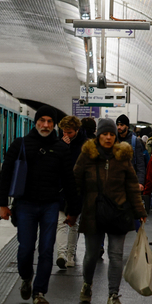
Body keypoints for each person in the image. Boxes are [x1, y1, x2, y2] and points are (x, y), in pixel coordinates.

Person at [0, 105, 80, 304]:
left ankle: (40, 292)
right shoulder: (21, 144)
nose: (45, 125)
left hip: (50, 205)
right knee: (25, 248)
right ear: (36, 122)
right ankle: (26, 277)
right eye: (42, 121)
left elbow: (70, 181)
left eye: (49, 122)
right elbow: (6, 173)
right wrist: (2, 204)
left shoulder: (61, 149)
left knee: (46, 250)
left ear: (54, 125)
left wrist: (73, 211)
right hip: (25, 204)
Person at [73, 118, 147, 304]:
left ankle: (113, 295)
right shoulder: (87, 155)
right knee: (90, 255)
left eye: (111, 134)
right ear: (98, 135)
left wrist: (139, 210)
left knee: (116, 256)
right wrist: (72, 210)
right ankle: (87, 285)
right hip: (92, 211)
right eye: (105, 134)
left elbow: (132, 186)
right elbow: (76, 182)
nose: (108, 137)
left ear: (115, 136)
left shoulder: (123, 157)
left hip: (118, 212)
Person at [55, 115, 87, 269]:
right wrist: (62, 146)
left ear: (77, 130)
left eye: (70, 133)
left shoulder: (85, 146)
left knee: (74, 224)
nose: (66, 135)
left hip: (77, 190)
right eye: (64, 132)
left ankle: (70, 254)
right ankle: (61, 254)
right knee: (61, 223)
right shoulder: (58, 144)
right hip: (61, 189)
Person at [116, 114, 146, 191]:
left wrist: (140, 182)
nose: (119, 127)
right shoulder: (114, 140)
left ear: (127, 126)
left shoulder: (135, 141)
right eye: (118, 125)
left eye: (121, 125)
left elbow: (140, 164)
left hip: (130, 181)